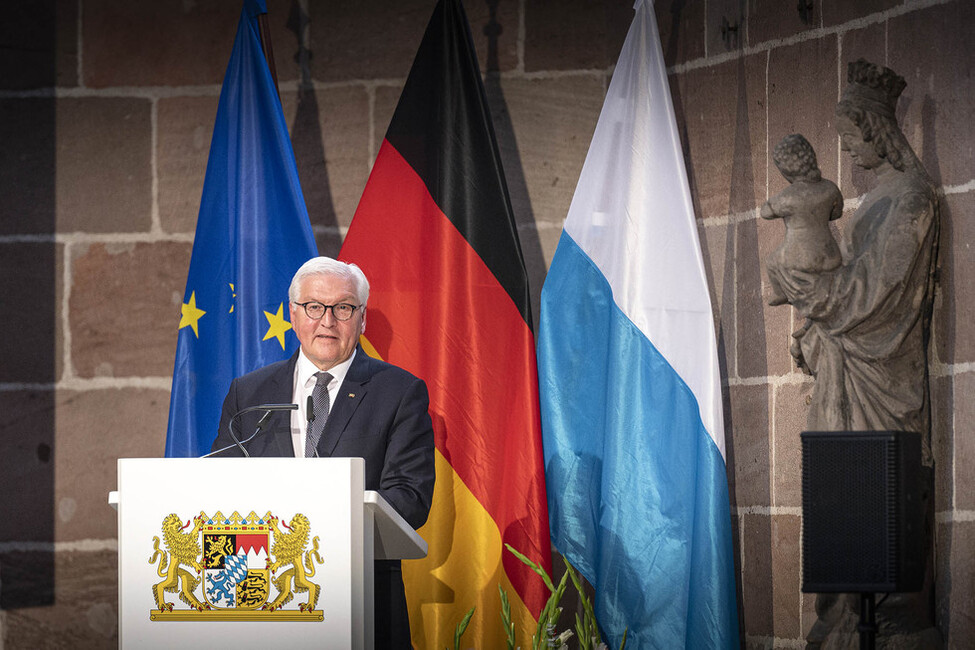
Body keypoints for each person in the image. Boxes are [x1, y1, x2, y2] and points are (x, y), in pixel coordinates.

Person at [773, 60, 941, 648]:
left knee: (883, 503)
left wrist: (813, 294)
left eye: (850, 140)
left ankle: (890, 622)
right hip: (846, 364)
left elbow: (880, 293)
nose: (845, 155)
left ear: (876, 131)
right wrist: (812, 325)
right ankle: (846, 617)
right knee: (840, 495)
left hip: (884, 376)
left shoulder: (914, 200)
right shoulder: (876, 202)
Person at [211, 256, 436, 649]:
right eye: (315, 307)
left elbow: (411, 498)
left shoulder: (398, 392)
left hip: (361, 597)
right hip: (259, 598)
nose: (328, 321)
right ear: (294, 315)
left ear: (362, 319)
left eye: (343, 308)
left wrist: (324, 523)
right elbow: (217, 491)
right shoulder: (248, 394)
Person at [761, 133, 843, 306]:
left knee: (772, 261)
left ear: (786, 168)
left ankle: (780, 294)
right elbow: (837, 214)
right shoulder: (830, 188)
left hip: (799, 257)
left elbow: (765, 212)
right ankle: (811, 321)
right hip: (830, 254)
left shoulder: (788, 196)